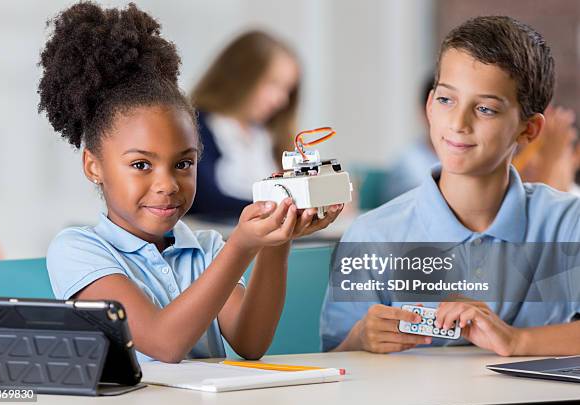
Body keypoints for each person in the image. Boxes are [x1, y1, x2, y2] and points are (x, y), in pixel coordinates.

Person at [40, 2, 341, 363]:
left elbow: (251, 341)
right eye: (140, 164)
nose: (168, 184)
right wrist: (240, 247)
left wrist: (278, 241)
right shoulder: (77, 250)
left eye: (184, 163)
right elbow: (163, 343)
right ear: (93, 166)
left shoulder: (205, 248)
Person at [320, 16, 580, 356]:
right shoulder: (373, 236)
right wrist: (358, 340)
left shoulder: (567, 224)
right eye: (446, 100)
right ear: (430, 106)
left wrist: (517, 341)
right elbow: (335, 364)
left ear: (528, 130)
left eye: (485, 109)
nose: (458, 124)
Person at [189, 31, 300, 221]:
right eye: (273, 84)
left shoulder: (267, 137)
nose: (281, 100)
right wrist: (283, 209)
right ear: (240, 75)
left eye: (287, 89)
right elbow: (206, 200)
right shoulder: (196, 128)